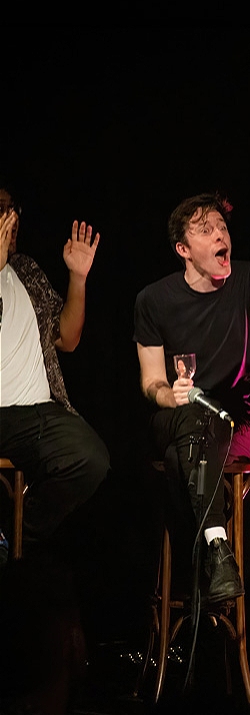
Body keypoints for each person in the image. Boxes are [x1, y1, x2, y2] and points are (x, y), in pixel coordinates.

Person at [133, 192, 250, 604]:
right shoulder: (153, 300)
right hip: (177, 415)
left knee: (179, 458)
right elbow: (151, 383)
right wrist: (172, 393)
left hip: (236, 422)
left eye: (222, 226)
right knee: (194, 420)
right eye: (206, 230)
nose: (221, 235)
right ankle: (219, 550)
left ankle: (204, 559)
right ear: (183, 250)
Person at [0, 182, 110, 559]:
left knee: (90, 458)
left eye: (13, 211)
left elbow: (67, 338)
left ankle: (12, 535)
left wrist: (78, 278)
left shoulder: (25, 270)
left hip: (39, 412)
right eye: (1, 211)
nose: (10, 221)